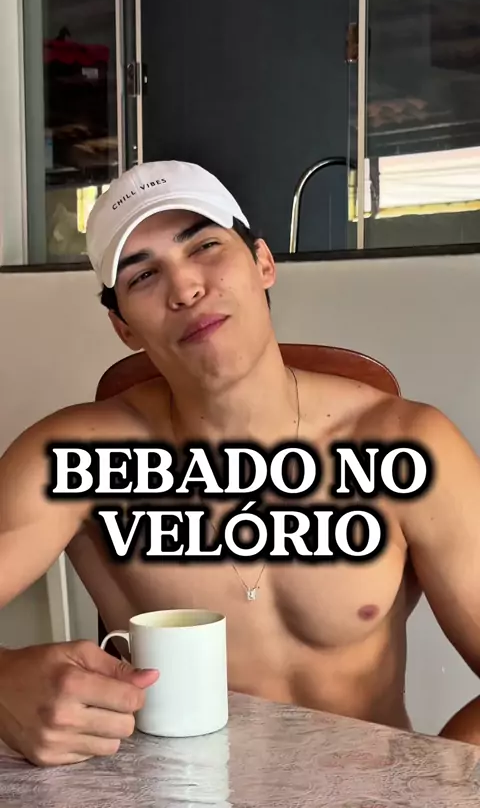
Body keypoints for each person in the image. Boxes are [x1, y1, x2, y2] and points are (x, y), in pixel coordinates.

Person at [0, 159, 479, 767]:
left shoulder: (411, 444)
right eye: (143, 275)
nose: (185, 289)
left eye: (204, 246)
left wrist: (429, 788)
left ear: (263, 263)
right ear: (122, 327)